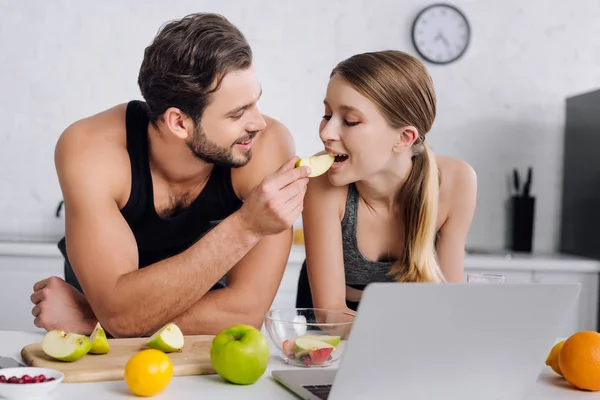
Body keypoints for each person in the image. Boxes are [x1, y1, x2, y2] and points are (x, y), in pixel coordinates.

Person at [29, 12, 311, 338]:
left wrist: (95, 321)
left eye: (255, 102)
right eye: (237, 113)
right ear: (179, 122)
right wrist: (247, 225)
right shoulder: (91, 148)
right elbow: (120, 314)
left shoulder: (267, 145)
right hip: (97, 348)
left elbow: (244, 313)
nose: (258, 123)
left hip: (98, 326)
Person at [296, 50, 477, 314]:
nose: (326, 132)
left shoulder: (457, 182)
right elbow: (330, 313)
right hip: (335, 325)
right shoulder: (322, 182)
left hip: (406, 323)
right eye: (327, 115)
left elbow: (445, 307)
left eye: (350, 121)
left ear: (404, 137)